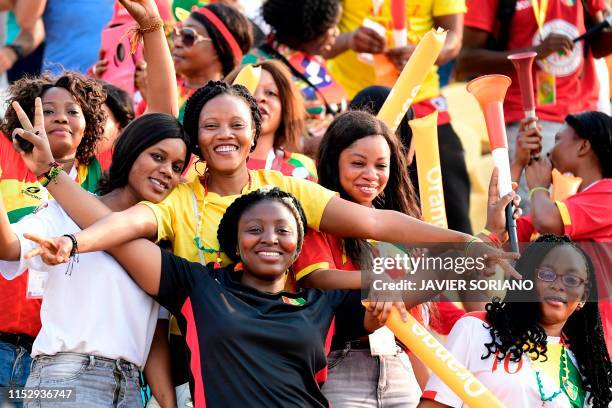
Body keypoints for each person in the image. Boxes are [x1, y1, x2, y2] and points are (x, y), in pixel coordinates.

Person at [23, 187, 423, 407]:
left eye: (283, 230)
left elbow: (432, 282)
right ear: (234, 240)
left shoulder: (325, 303)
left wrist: (482, 251)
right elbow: (110, 230)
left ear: (299, 246)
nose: (269, 239)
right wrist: (54, 176)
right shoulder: (199, 286)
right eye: (255, 229)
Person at [0, 0, 178, 399]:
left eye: (74, 111)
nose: (60, 117)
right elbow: (10, 249)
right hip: (13, 348)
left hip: (80, 363)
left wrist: (152, 28)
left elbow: (165, 122)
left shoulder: (106, 177)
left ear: (93, 127)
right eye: (46, 109)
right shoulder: (4, 154)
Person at [0, 110, 189, 407]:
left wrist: (169, 405)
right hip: (66, 377)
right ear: (130, 151)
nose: (168, 171)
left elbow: (154, 341)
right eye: (157, 157)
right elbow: (9, 249)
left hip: (128, 388)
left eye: (177, 167)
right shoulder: (64, 212)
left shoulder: (163, 243)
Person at [292, 110, 424, 406]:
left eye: (381, 165)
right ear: (333, 161)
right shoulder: (316, 222)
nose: (371, 175)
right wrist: (377, 280)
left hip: (399, 366)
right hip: (341, 364)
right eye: (358, 163)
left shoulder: (399, 227)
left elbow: (413, 328)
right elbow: (317, 279)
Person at [419, 235, 612, 408]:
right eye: (547, 274)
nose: (558, 285)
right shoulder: (477, 329)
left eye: (571, 280)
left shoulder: (589, 369)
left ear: (584, 296)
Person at [457, 0, 612, 209]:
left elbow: (599, 46)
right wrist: (536, 51)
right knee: (538, 221)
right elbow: (465, 60)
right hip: (530, 121)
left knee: (592, 213)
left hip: (585, 119)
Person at [490, 111, 612, 355]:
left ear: (584, 146)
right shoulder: (567, 206)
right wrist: (517, 163)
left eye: (558, 140)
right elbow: (502, 237)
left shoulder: (607, 193)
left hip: (603, 338)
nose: (549, 150)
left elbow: (546, 220)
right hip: (570, 339)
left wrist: (537, 187)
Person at [243, 0, 348, 157]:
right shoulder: (256, 68)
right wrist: (310, 145)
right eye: (330, 28)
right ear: (308, 32)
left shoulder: (310, 58)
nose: (336, 33)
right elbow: (250, 132)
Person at [225, 60, 316, 180]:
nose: (259, 98)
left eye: (271, 93)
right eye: (249, 90)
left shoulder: (300, 168)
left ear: (286, 107)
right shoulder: (203, 162)